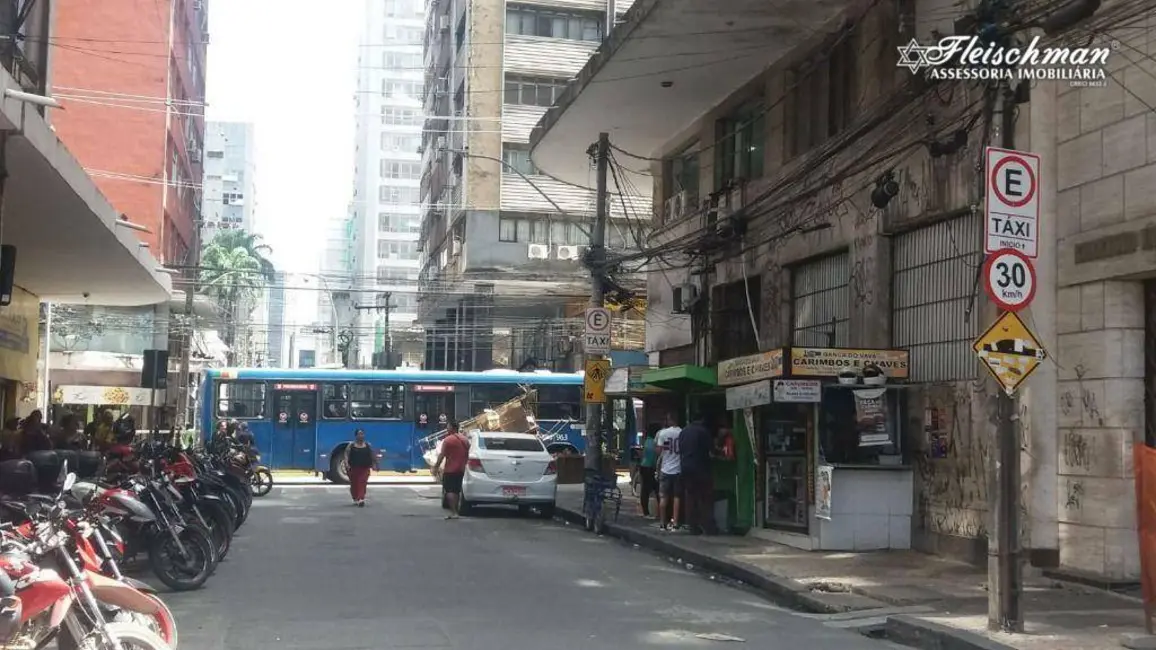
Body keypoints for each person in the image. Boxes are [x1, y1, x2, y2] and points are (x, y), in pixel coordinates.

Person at [679, 412, 718, 536]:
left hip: (685, 467)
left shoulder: (683, 432)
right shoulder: (703, 431)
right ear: (701, 420)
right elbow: (711, 451)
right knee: (705, 498)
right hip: (700, 467)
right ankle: (708, 527)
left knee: (690, 497)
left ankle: (693, 527)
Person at [432, 421, 469, 520]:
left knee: (449, 491)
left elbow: (442, 455)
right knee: (456, 490)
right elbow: (467, 454)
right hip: (461, 469)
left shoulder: (448, 440)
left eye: (448, 426)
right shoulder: (465, 440)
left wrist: (436, 467)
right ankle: (456, 512)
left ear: (452, 427)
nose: (447, 428)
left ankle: (454, 512)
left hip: (450, 469)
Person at [655, 413, 683, 531]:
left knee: (663, 496)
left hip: (665, 469)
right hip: (678, 469)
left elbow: (659, 451)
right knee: (677, 497)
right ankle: (675, 522)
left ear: (669, 420)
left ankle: (662, 523)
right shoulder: (682, 432)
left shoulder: (663, 433)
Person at [343, 428, 378, 507]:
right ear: (356, 436)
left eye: (362, 434)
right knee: (354, 484)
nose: (361, 435)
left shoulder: (368, 445)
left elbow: (373, 455)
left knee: (362, 482)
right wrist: (346, 464)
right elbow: (346, 455)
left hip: (365, 468)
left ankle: (361, 498)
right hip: (353, 468)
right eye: (359, 434)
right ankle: (355, 498)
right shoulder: (351, 445)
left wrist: (376, 464)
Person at [638, 423, 661, 518]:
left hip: (644, 466)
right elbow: (653, 458)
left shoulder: (647, 441)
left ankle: (646, 512)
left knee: (645, 490)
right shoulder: (654, 443)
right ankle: (658, 512)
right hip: (650, 467)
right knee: (657, 490)